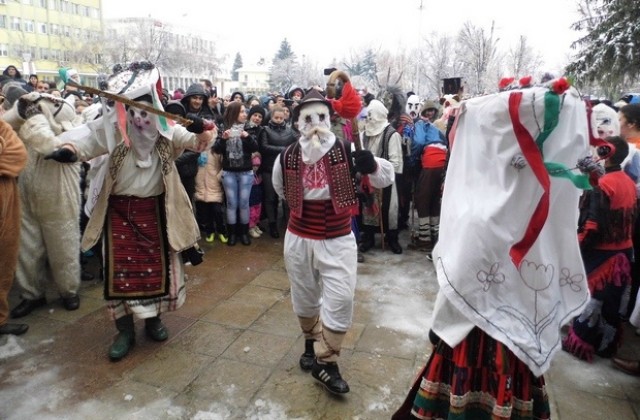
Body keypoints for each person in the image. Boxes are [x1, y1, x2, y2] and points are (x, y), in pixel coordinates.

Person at [393, 78, 592, 419]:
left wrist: (440, 322)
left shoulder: (481, 207)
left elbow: (459, 274)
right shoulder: (536, 199)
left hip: (474, 342)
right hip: (507, 347)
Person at [43, 62, 215, 361]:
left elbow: (198, 143)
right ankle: (124, 330)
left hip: (156, 213)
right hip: (118, 213)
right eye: (131, 112)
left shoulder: (167, 130)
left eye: (144, 112)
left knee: (158, 274)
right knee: (118, 275)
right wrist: (68, 151)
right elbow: (85, 139)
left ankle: (153, 321)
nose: (139, 120)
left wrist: (202, 128)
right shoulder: (110, 129)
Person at [272, 89, 395, 394]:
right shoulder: (286, 156)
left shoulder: (347, 149)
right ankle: (312, 347)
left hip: (338, 237)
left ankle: (327, 362)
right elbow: (280, 189)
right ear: (299, 122)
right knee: (305, 294)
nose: (315, 123)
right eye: (308, 118)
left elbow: (386, 178)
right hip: (300, 237)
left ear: (330, 119)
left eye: (321, 117)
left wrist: (372, 166)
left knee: (340, 298)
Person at [3, 89, 83, 319]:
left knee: (63, 241)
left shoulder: (68, 122)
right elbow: (7, 124)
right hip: (27, 187)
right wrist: (23, 109)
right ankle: (32, 294)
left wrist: (36, 113)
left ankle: (68, 291)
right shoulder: (25, 118)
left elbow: (49, 142)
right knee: (27, 244)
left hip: (58, 190)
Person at [562, 136, 636, 361]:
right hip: (624, 253)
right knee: (611, 302)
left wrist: (577, 248)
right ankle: (606, 345)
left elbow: (593, 225)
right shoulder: (628, 182)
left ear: (606, 152)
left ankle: (582, 343)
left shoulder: (603, 186)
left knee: (592, 299)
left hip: (602, 255)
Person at [359, 99, 404, 254]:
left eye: (372, 116)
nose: (369, 120)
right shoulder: (363, 134)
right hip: (368, 181)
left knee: (389, 210)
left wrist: (378, 166)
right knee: (368, 210)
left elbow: (396, 163)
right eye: (367, 116)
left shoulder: (392, 135)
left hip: (386, 181)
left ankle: (392, 239)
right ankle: (369, 237)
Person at [213, 101, 259, 246]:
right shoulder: (223, 129)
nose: (245, 114)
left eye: (245, 111)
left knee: (244, 203)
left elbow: (255, 148)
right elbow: (217, 150)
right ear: (233, 113)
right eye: (242, 111)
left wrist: (247, 137)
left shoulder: (250, 128)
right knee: (232, 204)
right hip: (229, 172)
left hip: (246, 172)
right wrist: (223, 139)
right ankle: (232, 233)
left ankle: (244, 233)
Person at [0, 118, 29, 335]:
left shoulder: (2, 126)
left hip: (6, 205)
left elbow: (18, 155)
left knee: (4, 262)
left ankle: (0, 320)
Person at [407, 100, 447, 252]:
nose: (429, 113)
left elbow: (418, 141)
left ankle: (425, 239)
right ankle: (435, 235)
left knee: (422, 198)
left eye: (432, 111)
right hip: (442, 162)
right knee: (434, 199)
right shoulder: (435, 126)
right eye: (427, 111)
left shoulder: (419, 125)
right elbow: (444, 142)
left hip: (431, 162)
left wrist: (412, 161)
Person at [259, 105, 298, 238]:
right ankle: (272, 224)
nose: (279, 120)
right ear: (271, 117)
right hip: (269, 168)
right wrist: (284, 149)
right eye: (276, 117)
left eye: (281, 118)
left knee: (287, 198)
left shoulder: (290, 131)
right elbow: (264, 147)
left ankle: (289, 224)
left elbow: (298, 143)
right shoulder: (265, 130)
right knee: (270, 198)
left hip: (285, 169)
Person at [194, 146, 227, 244]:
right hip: (200, 186)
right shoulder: (195, 148)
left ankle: (222, 231)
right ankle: (210, 231)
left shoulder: (216, 149)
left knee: (218, 211)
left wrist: (219, 177)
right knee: (205, 213)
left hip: (214, 185)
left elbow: (225, 163)